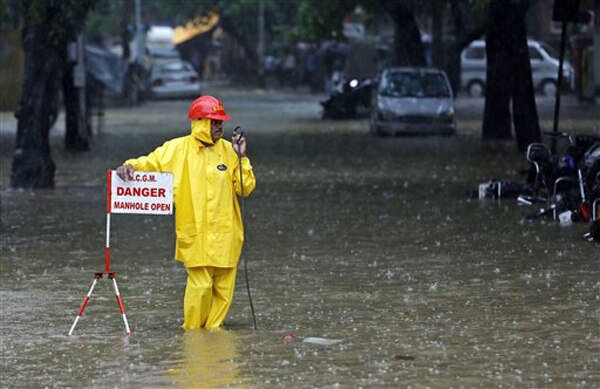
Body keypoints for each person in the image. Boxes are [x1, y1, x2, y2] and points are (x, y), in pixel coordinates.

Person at [116, 95, 256, 329]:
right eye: (214, 122)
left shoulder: (230, 152)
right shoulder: (176, 149)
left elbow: (245, 188)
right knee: (200, 286)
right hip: (196, 233)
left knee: (223, 291)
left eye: (221, 122)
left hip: (227, 234)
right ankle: (192, 336)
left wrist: (242, 157)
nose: (219, 127)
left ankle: (212, 339)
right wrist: (129, 166)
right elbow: (149, 163)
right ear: (200, 122)